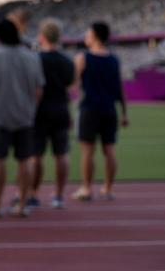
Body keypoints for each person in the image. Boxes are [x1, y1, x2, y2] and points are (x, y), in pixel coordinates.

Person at [0, 20, 44, 219]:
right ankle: (22, 204)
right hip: (25, 116)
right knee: (25, 161)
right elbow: (39, 89)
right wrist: (31, 109)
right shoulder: (32, 57)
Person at [74, 21, 128, 202]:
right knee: (110, 150)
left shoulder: (83, 58)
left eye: (88, 34)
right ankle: (108, 189)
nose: (85, 37)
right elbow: (119, 88)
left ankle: (87, 189)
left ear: (95, 36)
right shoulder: (114, 59)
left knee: (88, 152)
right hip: (109, 109)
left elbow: (74, 84)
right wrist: (124, 113)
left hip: (89, 108)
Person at [31, 19, 75, 209]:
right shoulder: (67, 61)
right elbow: (69, 84)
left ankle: (33, 193)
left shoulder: (35, 59)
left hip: (39, 111)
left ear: (41, 37)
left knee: (35, 156)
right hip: (60, 109)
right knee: (62, 154)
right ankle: (58, 195)